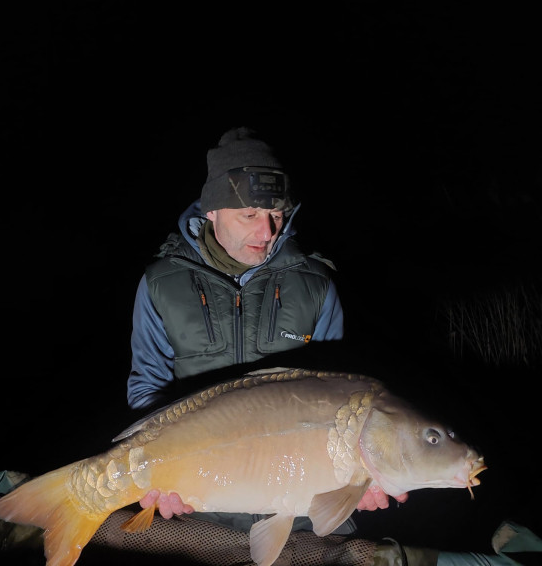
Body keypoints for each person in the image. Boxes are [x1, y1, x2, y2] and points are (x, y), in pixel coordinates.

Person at [127, 126, 408, 527]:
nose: (267, 232)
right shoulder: (161, 283)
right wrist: (151, 470)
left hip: (304, 505)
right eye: (249, 215)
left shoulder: (316, 285)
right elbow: (146, 389)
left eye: (277, 215)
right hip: (203, 503)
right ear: (211, 211)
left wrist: (356, 480)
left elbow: (339, 396)